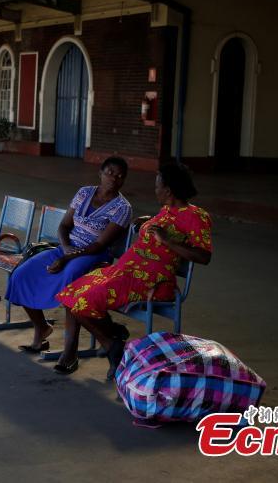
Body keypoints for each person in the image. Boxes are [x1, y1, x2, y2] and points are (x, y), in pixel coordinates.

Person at [54, 162, 213, 379]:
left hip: (150, 280)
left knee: (83, 303)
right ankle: (112, 342)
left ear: (168, 190)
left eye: (157, 186)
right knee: (70, 294)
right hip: (125, 271)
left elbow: (204, 256)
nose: (154, 190)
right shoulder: (166, 210)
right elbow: (167, 224)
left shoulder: (197, 217)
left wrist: (166, 240)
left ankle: (112, 346)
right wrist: (148, 222)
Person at [7, 157, 132, 353]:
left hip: (95, 256)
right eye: (110, 173)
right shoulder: (84, 192)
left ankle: (69, 352)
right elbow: (65, 225)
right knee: (21, 274)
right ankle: (41, 327)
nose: (114, 179)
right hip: (66, 248)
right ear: (100, 173)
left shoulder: (123, 208)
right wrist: (64, 248)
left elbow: (100, 245)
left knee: (70, 280)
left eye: (120, 176)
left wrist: (66, 258)